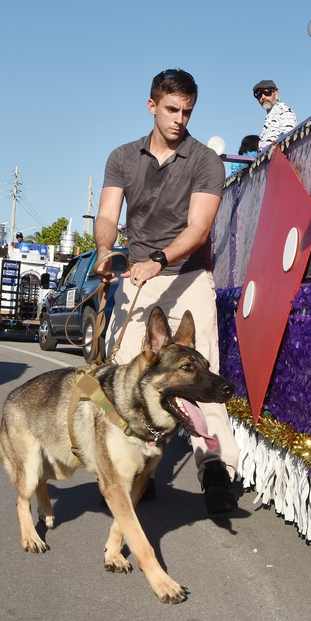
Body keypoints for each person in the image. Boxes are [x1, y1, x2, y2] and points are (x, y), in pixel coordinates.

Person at [93, 68, 239, 515]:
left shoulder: (204, 161)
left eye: (187, 111)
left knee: (198, 376)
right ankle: (138, 468)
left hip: (187, 275)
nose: (179, 119)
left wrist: (157, 260)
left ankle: (215, 468)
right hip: (136, 277)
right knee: (123, 377)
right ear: (152, 105)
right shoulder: (122, 156)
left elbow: (197, 229)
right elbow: (107, 215)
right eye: (172, 109)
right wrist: (104, 250)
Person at [253, 79, 297, 148]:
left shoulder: (284, 111)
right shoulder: (270, 116)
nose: (263, 97)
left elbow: (288, 137)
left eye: (267, 92)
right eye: (259, 95)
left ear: (276, 94)